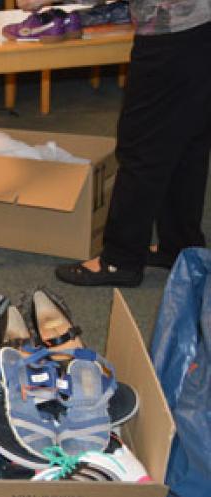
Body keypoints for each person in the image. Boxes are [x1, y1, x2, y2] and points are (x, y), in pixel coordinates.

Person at [28, 0, 211, 287]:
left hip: (173, 35)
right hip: (198, 28)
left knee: (141, 147)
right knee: (186, 141)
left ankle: (119, 261)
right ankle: (180, 246)